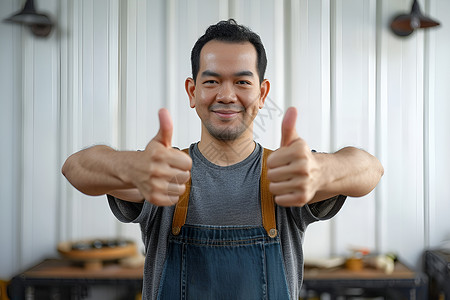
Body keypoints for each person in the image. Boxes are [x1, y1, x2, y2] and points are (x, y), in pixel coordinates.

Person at [62, 19, 383, 300]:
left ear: (262, 94)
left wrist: (322, 170)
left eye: (242, 82)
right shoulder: (160, 171)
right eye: (212, 81)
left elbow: (370, 168)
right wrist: (129, 167)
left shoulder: (290, 173)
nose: (227, 95)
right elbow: (76, 167)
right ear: (192, 91)